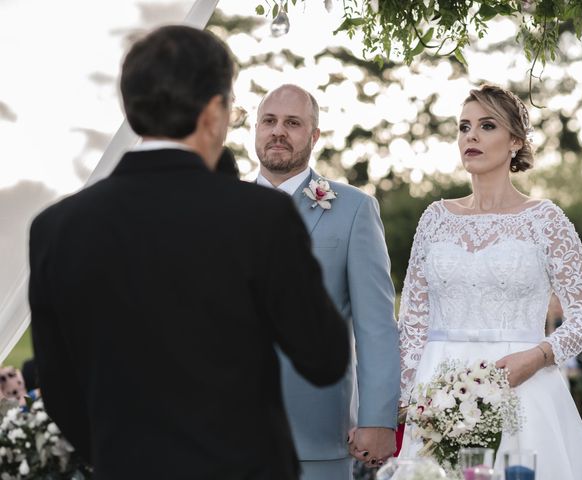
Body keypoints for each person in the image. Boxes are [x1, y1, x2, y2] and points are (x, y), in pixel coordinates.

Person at [28, 26, 350, 480]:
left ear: (131, 106)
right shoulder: (262, 218)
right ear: (214, 111)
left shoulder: (56, 228)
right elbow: (324, 356)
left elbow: (57, 384)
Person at [397, 84, 582, 479]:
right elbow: (411, 324)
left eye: (486, 125)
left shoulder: (546, 220)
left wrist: (537, 357)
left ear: (515, 141)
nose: (471, 136)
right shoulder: (435, 218)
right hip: (436, 389)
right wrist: (396, 403)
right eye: (463, 127)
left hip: (524, 389)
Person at [254, 84, 400, 480]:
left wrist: (378, 418)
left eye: (293, 123)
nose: (278, 131)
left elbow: (376, 325)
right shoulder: (218, 207)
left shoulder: (353, 209)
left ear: (314, 135)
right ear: (255, 129)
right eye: (269, 121)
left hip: (317, 436)